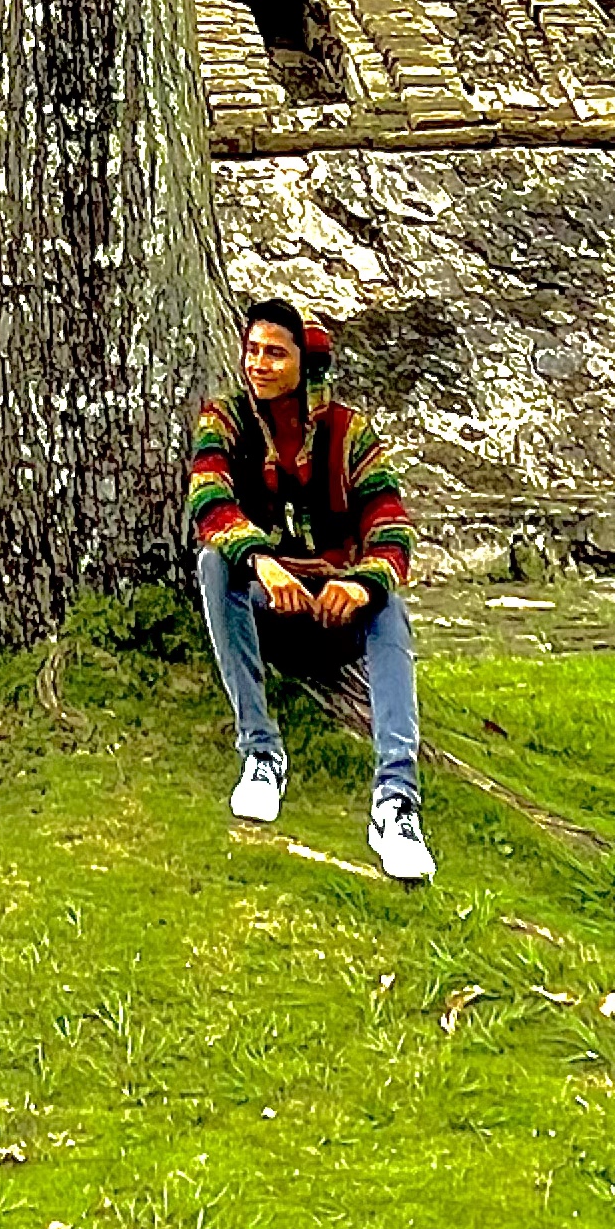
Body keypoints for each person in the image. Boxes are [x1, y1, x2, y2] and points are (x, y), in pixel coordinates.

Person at [188, 291, 434, 883]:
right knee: (213, 565)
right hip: (265, 608)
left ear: (306, 365)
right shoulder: (224, 420)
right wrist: (262, 561)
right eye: (252, 350)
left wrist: (361, 584)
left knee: (389, 608)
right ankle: (261, 754)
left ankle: (396, 801)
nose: (259, 364)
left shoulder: (349, 433)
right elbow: (209, 498)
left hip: (334, 611)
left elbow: (391, 525)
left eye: (276, 352)